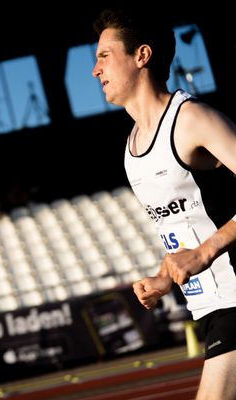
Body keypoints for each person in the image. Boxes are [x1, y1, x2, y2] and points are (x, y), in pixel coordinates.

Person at [92, 8, 236, 399]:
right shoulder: (132, 147)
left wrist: (205, 253)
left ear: (142, 55)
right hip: (212, 305)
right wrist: (162, 278)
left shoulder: (192, 120)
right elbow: (185, 225)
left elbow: (202, 245)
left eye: (104, 56)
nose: (95, 70)